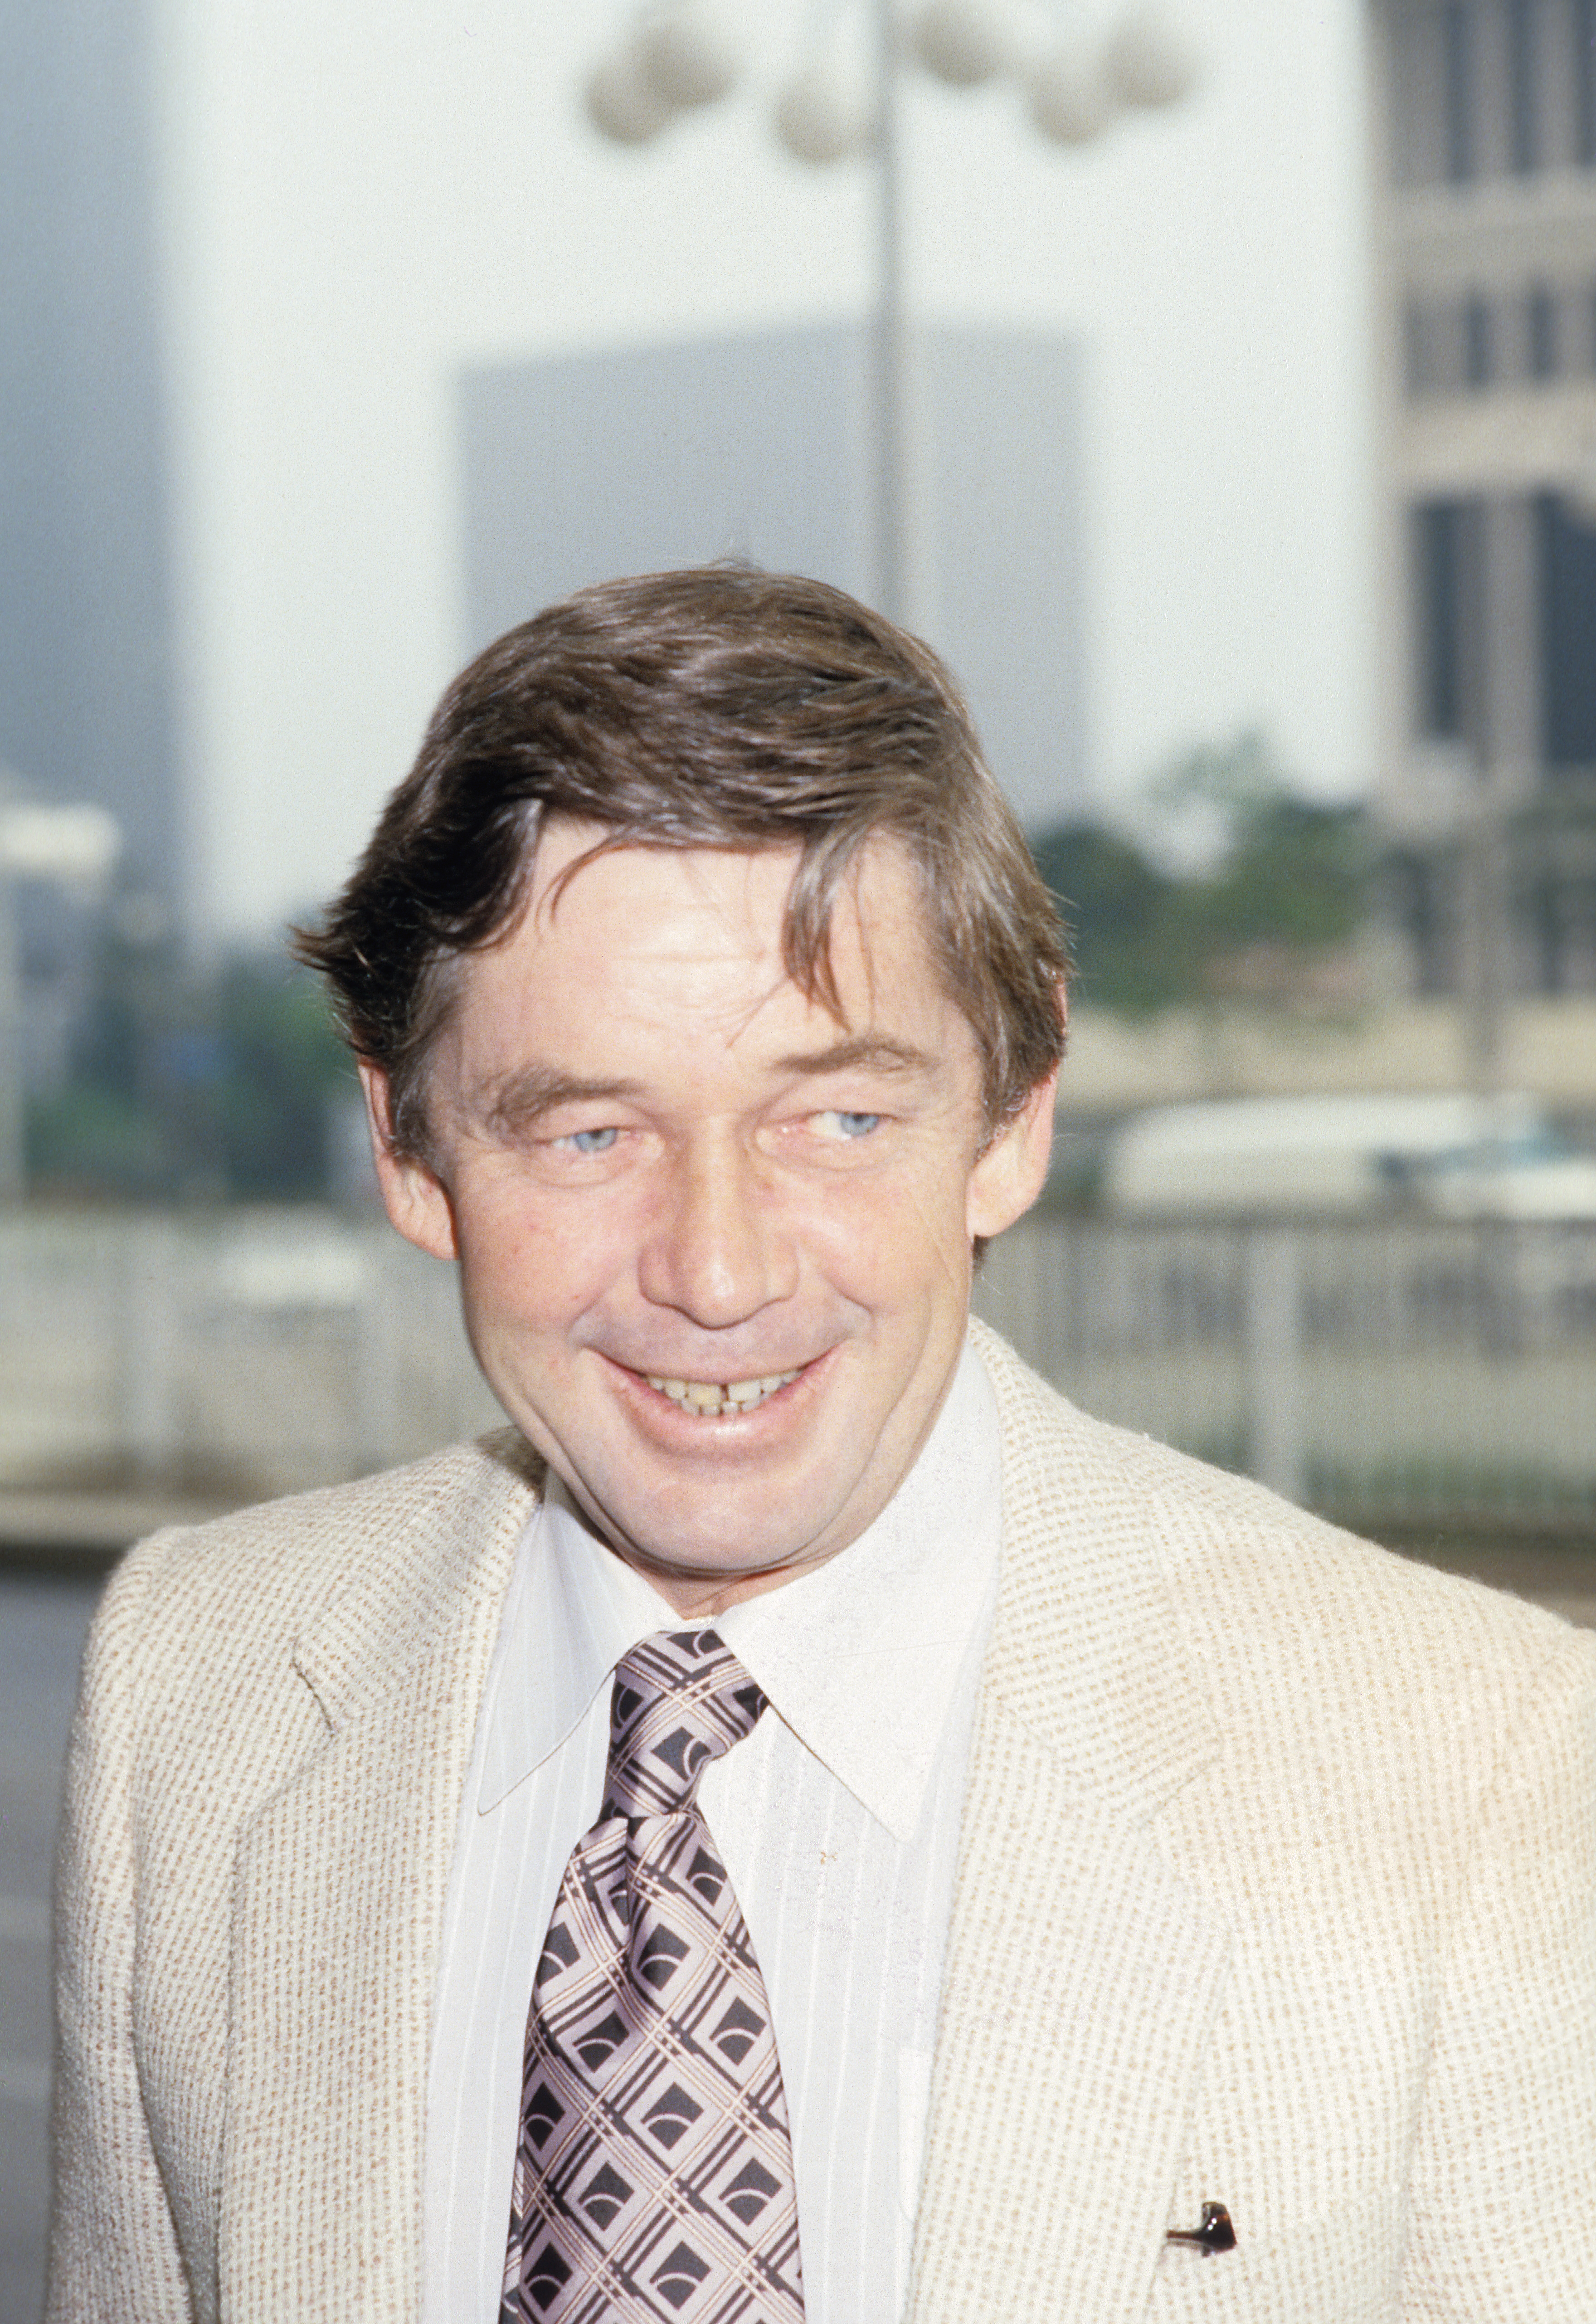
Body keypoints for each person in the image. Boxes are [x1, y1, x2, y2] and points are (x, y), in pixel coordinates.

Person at [49, 568, 1596, 2324]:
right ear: (409, 1154)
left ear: (1014, 1120)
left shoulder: (1463, 1764)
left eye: (838, 1115)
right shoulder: (195, 1695)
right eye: (585, 1132)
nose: (718, 1269)